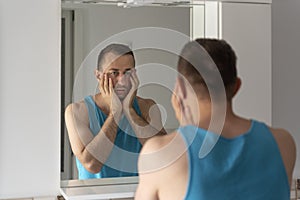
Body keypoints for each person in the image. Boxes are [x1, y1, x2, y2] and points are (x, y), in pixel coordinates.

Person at [135, 38, 296, 199]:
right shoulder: (283, 143)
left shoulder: (161, 155)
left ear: (181, 89)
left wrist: (186, 131)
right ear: (237, 86)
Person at [65, 43, 166, 179]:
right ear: (98, 76)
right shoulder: (76, 112)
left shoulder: (147, 107)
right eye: (114, 73)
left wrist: (129, 110)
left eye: (128, 72)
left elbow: (163, 156)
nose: (122, 81)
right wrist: (115, 113)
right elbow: (92, 164)